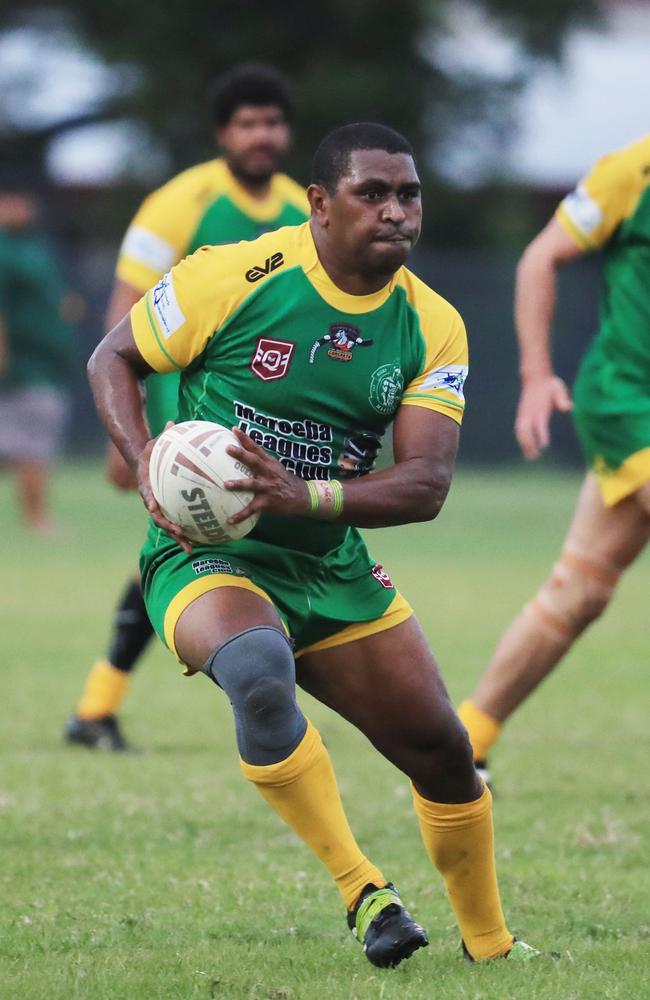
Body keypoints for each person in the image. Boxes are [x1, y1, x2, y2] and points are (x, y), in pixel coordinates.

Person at [87, 121, 542, 967]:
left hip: (330, 563)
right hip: (207, 556)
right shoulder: (233, 273)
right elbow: (112, 360)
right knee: (260, 673)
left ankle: (493, 950)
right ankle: (365, 892)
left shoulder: (432, 325)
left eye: (409, 195)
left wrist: (309, 495)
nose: (397, 212)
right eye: (373, 194)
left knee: (445, 754)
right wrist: (145, 458)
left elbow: (425, 484)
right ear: (321, 205)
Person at [65, 63, 309, 751]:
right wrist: (133, 440)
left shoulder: (300, 207)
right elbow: (124, 312)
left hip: (259, 420)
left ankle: (100, 707)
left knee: (230, 555)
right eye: (247, 123)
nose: (262, 135)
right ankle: (97, 706)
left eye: (273, 122)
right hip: (181, 420)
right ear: (223, 133)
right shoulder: (180, 201)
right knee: (180, 552)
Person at [458, 134, 650, 782]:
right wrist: (537, 375)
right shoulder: (633, 172)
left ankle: (463, 742)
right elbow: (540, 258)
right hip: (631, 403)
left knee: (580, 591)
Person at [0, 188, 76, 534]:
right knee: (30, 444)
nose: (20, 205)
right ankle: (37, 518)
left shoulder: (35, 245)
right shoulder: (4, 249)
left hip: (47, 363)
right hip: (22, 367)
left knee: (26, 444)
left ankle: (36, 516)